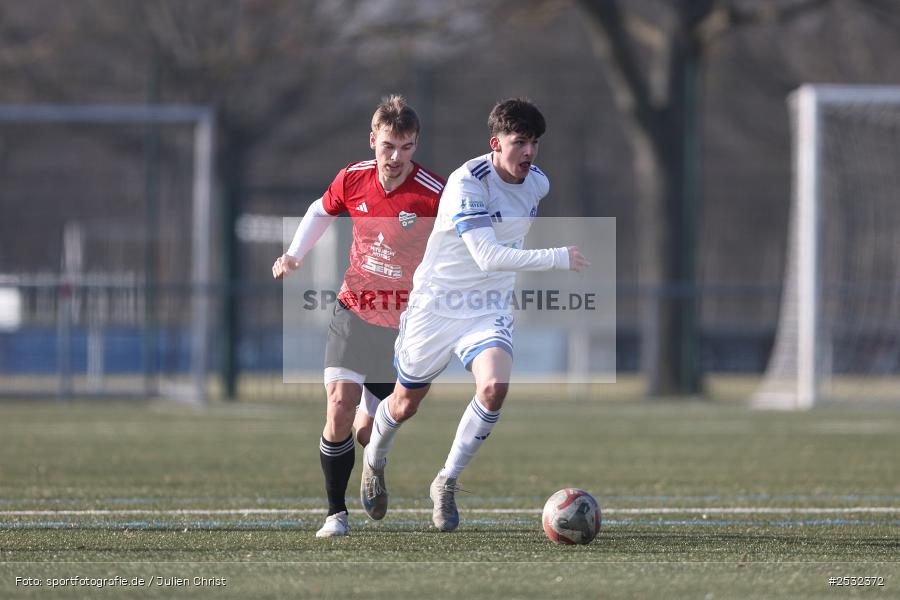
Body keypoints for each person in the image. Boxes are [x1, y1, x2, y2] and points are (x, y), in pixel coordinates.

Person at [360, 98, 589, 530]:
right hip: (436, 303)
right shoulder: (469, 181)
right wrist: (558, 257)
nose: (529, 152)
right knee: (406, 403)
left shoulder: (538, 183)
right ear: (495, 143)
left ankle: (445, 483)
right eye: (519, 141)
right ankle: (375, 457)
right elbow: (486, 254)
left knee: (494, 387)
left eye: (534, 143)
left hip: (487, 306)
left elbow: (498, 263)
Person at [272, 94, 443, 537]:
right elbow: (319, 211)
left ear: (415, 146)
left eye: (406, 148)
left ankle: (375, 463)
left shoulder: (434, 193)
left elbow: (461, 244)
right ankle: (336, 515)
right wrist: (293, 255)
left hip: (403, 327)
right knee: (338, 407)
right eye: (388, 146)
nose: (396, 158)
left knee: (369, 432)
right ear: (373, 140)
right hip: (354, 310)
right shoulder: (353, 178)